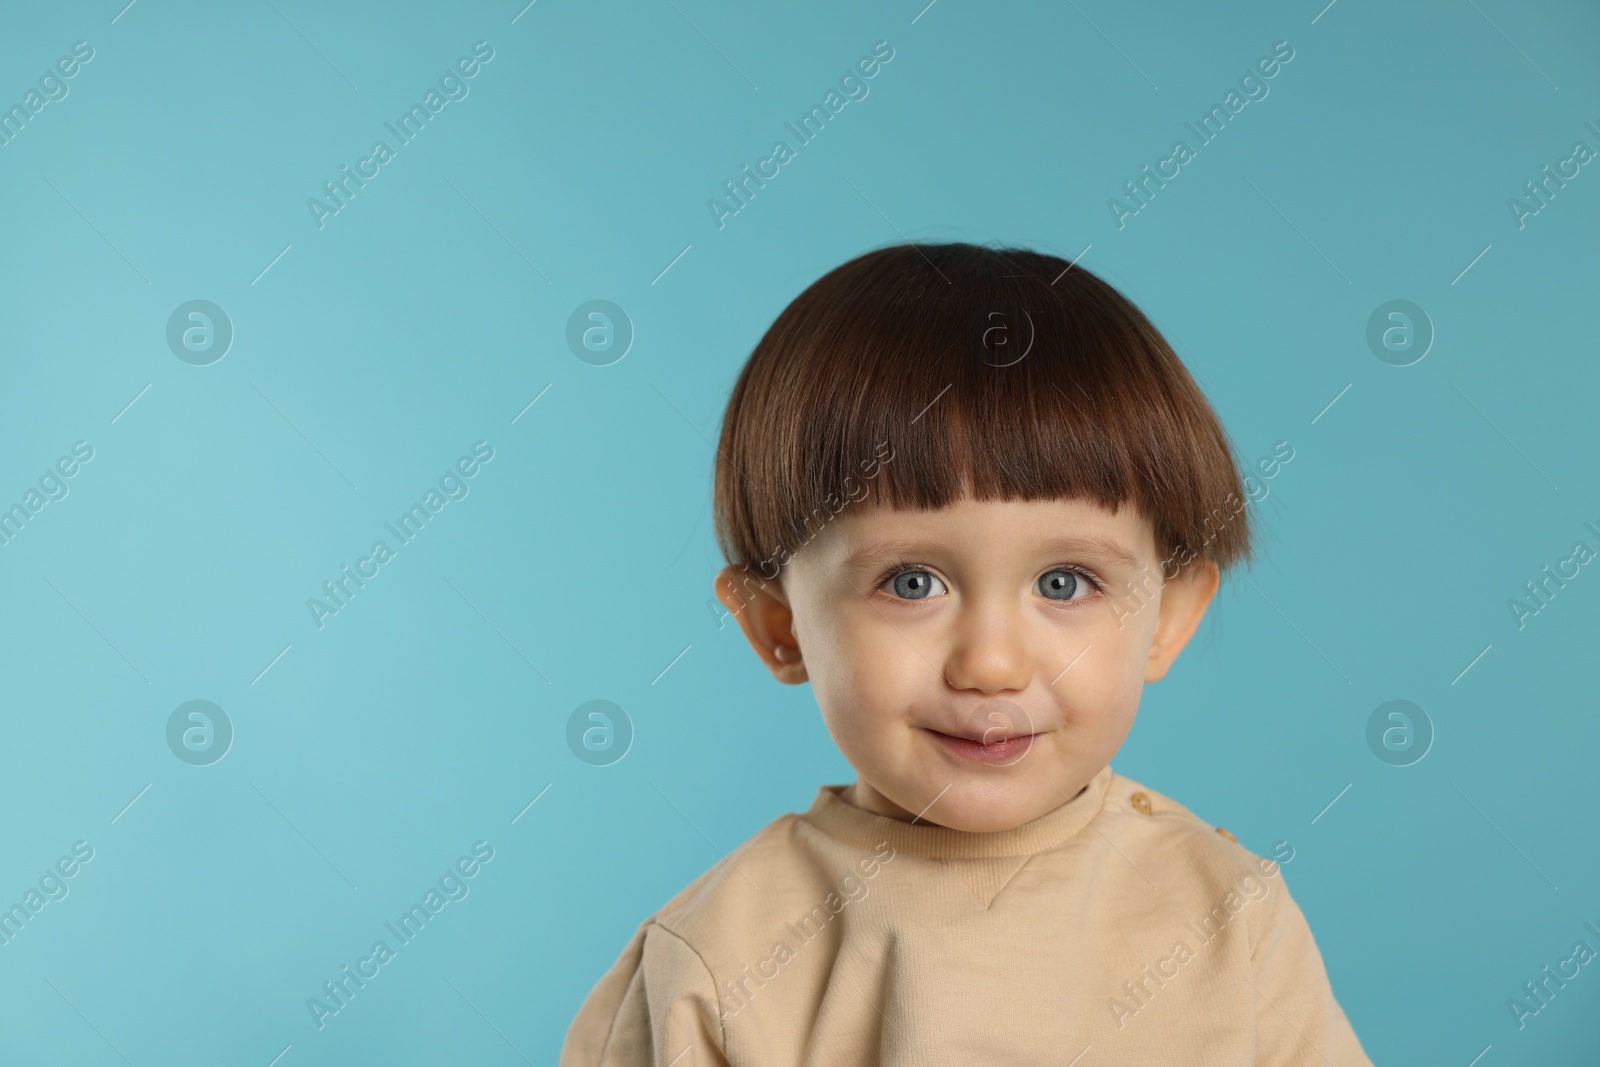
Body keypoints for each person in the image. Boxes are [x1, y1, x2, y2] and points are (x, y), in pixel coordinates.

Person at [558, 242, 1373, 1065]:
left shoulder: (1231, 919)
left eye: (1064, 583)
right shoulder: (716, 960)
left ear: (1167, 616)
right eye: (911, 583)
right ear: (779, 623)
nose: (991, 664)